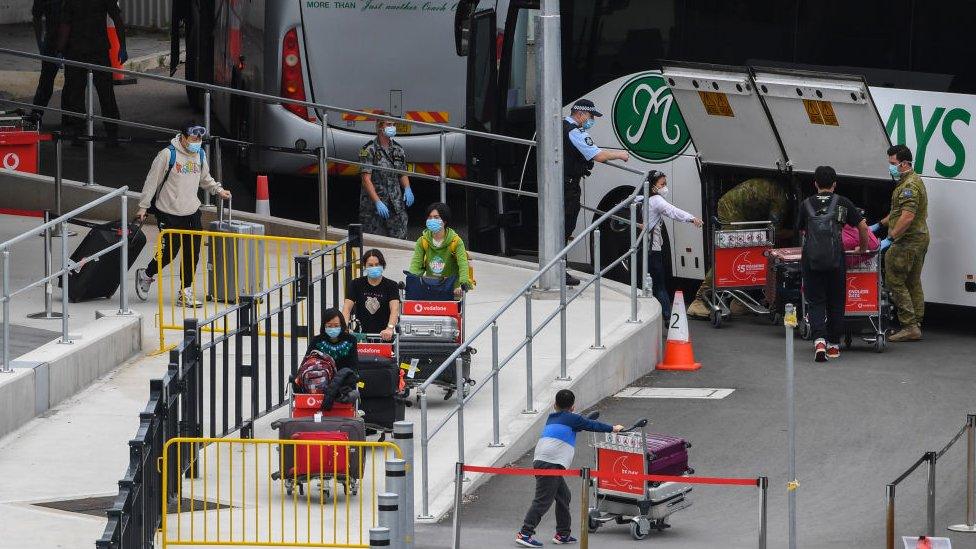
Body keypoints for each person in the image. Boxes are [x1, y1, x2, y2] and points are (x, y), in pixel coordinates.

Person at [135, 121, 231, 307]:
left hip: (192, 211)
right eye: (194, 138)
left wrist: (218, 190)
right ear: (183, 138)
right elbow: (151, 181)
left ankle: (185, 291)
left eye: (200, 138)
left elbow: (205, 179)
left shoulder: (200, 154)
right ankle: (146, 274)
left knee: (192, 252)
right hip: (168, 211)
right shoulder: (167, 154)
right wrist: (143, 206)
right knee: (169, 252)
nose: (198, 141)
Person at [515, 389, 623, 547]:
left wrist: (580, 422)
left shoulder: (552, 418)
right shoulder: (573, 418)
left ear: (554, 405)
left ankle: (563, 534)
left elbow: (575, 425)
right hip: (550, 464)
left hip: (545, 462)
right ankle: (525, 533)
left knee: (564, 496)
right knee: (543, 501)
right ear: (573, 407)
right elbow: (592, 425)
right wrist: (613, 428)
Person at [796, 166, 870, 362]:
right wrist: (862, 248)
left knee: (816, 301)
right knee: (836, 302)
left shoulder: (806, 204)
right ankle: (834, 345)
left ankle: (819, 341)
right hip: (836, 260)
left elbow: (802, 230)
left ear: (815, 184)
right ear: (835, 184)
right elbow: (862, 226)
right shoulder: (843, 203)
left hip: (811, 261)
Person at [687, 178, 791, 319]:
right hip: (732, 208)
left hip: (745, 212)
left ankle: (738, 302)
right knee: (730, 255)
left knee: (748, 251)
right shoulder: (780, 198)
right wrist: (794, 234)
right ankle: (699, 300)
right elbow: (773, 231)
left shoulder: (776, 190)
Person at [563, 98, 630, 285]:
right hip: (568, 187)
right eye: (591, 116)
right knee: (565, 227)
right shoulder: (575, 132)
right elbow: (598, 155)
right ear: (580, 114)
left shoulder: (559, 126)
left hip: (560, 184)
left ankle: (557, 269)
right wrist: (620, 154)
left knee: (561, 226)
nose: (592, 120)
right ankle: (559, 271)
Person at [871, 144, 929, 342]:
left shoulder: (908, 186)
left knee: (894, 280)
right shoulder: (911, 181)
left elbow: (907, 217)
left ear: (904, 163)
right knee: (912, 280)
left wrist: (890, 238)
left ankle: (910, 326)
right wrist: (879, 224)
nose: (891, 167)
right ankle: (916, 321)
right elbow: (897, 213)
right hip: (917, 238)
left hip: (907, 241)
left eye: (893, 163)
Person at [57, 0, 127, 144]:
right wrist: (123, 46)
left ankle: (79, 133)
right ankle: (112, 134)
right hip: (98, 49)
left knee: (76, 93)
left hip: (76, 50)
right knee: (106, 93)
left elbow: (65, 25)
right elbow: (117, 18)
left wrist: (60, 49)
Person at [640, 171, 704, 321]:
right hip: (652, 250)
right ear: (653, 186)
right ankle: (669, 319)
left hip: (641, 248)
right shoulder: (656, 201)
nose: (665, 188)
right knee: (660, 285)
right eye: (662, 184)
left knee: (647, 283)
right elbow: (674, 212)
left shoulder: (642, 199)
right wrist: (692, 218)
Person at [359, 113, 413, 239]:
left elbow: (402, 172)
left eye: (394, 125)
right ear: (380, 127)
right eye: (389, 124)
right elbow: (366, 179)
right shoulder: (368, 149)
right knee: (372, 242)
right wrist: (377, 202)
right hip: (374, 206)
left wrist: (407, 188)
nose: (392, 127)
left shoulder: (398, 149)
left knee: (400, 240)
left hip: (395, 203)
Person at [408, 202, 471, 298]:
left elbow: (463, 265)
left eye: (436, 217)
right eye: (430, 217)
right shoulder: (422, 241)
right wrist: (411, 281)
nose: (432, 220)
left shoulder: (456, 241)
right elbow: (416, 264)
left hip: (452, 291)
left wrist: (463, 284)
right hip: (431, 289)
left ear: (444, 221)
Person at [343, 249, 400, 341]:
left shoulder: (391, 285)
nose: (374, 267)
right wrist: (344, 327)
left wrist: (390, 328)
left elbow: (395, 309)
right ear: (365, 266)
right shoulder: (356, 284)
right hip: (361, 335)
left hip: (384, 335)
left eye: (377, 265)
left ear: (382, 265)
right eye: (370, 265)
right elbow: (347, 308)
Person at [30, 0, 62, 122]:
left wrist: (40, 43)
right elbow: (36, 17)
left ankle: (37, 113)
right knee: (46, 81)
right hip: (55, 42)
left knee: (73, 84)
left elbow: (37, 17)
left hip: (66, 42)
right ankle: (37, 113)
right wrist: (41, 43)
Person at [306, 307, 360, 372]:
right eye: (329, 326)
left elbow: (354, 366)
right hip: (322, 379)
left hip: (345, 379)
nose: (333, 328)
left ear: (341, 325)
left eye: (336, 325)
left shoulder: (351, 340)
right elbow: (307, 364)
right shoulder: (316, 341)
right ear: (324, 326)